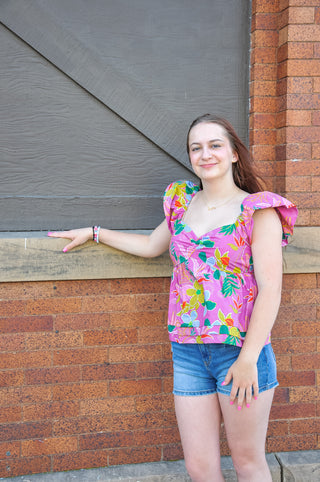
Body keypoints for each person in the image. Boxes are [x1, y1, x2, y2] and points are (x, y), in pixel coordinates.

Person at [48, 114, 298, 481]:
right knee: (199, 467)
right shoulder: (182, 203)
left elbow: (271, 291)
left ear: (232, 154)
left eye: (215, 145)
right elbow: (152, 245)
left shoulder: (258, 211)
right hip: (188, 351)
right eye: (196, 148)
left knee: (247, 462)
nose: (205, 154)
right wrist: (95, 233)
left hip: (241, 351)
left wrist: (248, 360)